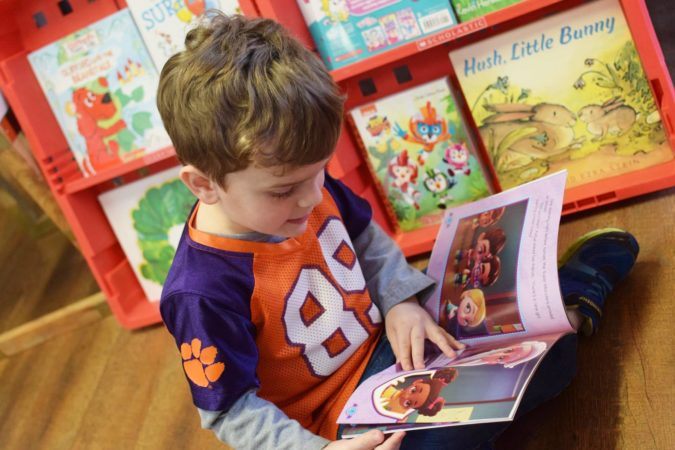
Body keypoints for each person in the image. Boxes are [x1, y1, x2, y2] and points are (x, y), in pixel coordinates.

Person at [156, 12, 639, 450]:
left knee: (547, 355)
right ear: (204, 184)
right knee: (441, 437)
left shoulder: (301, 181)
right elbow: (230, 409)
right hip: (337, 422)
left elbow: (364, 240)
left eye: (320, 171)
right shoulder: (201, 291)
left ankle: (565, 304)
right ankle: (568, 307)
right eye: (283, 191)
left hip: (394, 343)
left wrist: (400, 301)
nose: (310, 197)